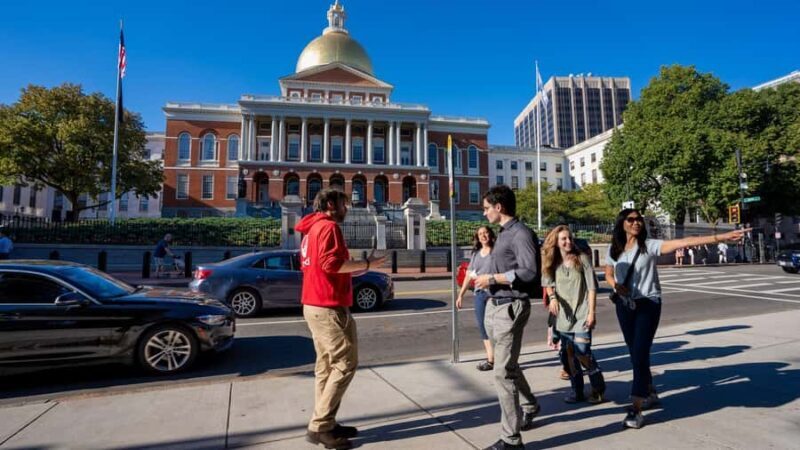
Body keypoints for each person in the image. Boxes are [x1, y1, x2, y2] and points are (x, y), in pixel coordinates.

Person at [604, 208, 748, 429]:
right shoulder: (613, 249)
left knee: (640, 353)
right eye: (631, 219)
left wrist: (721, 237)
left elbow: (685, 242)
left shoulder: (649, 245)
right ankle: (649, 391)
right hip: (624, 306)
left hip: (648, 304)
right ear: (622, 223)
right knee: (635, 353)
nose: (636, 223)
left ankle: (636, 408)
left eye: (639, 219)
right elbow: (608, 274)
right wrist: (617, 286)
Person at [295, 188, 386, 450]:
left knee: (326, 366)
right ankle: (320, 425)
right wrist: (367, 265)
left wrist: (355, 267)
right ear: (332, 204)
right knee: (345, 363)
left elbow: (323, 267)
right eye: (344, 204)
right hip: (329, 307)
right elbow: (330, 265)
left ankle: (327, 421)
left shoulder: (310, 229)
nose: (347, 208)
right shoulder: (329, 228)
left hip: (313, 303)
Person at [473, 185, 541, 450]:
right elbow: (501, 264)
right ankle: (531, 404)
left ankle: (511, 441)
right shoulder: (503, 234)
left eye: (486, 208)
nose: (484, 213)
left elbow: (529, 271)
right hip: (495, 305)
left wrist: (492, 278)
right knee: (508, 366)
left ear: (499, 207)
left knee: (502, 373)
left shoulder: (521, 233)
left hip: (511, 307)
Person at [542, 225, 605, 404]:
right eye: (564, 239)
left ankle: (598, 388)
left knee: (583, 352)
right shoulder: (552, 261)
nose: (568, 241)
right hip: (563, 317)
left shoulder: (582, 259)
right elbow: (547, 283)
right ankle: (577, 391)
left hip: (583, 314)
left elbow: (592, 287)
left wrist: (592, 313)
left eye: (570, 238)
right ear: (557, 242)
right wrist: (553, 297)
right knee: (568, 355)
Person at [456, 226, 496, 371]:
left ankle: (505, 360)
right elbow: (468, 275)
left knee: (497, 328)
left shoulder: (497, 252)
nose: (483, 235)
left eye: (485, 233)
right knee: (483, 327)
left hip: (495, 294)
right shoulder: (476, 254)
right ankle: (491, 360)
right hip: (480, 294)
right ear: (478, 238)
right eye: (480, 234)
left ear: (490, 235)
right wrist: (460, 295)